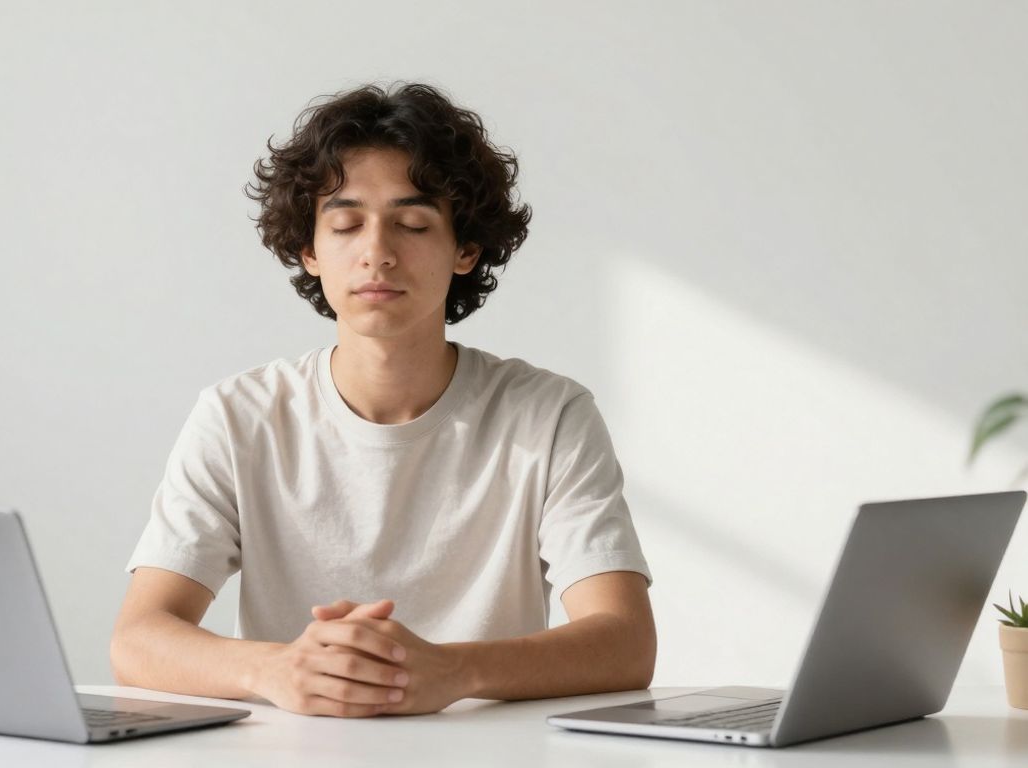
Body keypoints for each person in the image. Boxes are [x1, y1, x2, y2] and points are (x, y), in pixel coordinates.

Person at [110, 82, 655, 718]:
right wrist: (278, 668)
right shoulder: (239, 416)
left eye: (413, 223)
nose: (377, 253)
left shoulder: (549, 414)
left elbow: (625, 641)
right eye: (345, 224)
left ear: (465, 250)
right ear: (310, 251)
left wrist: (452, 670)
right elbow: (138, 639)